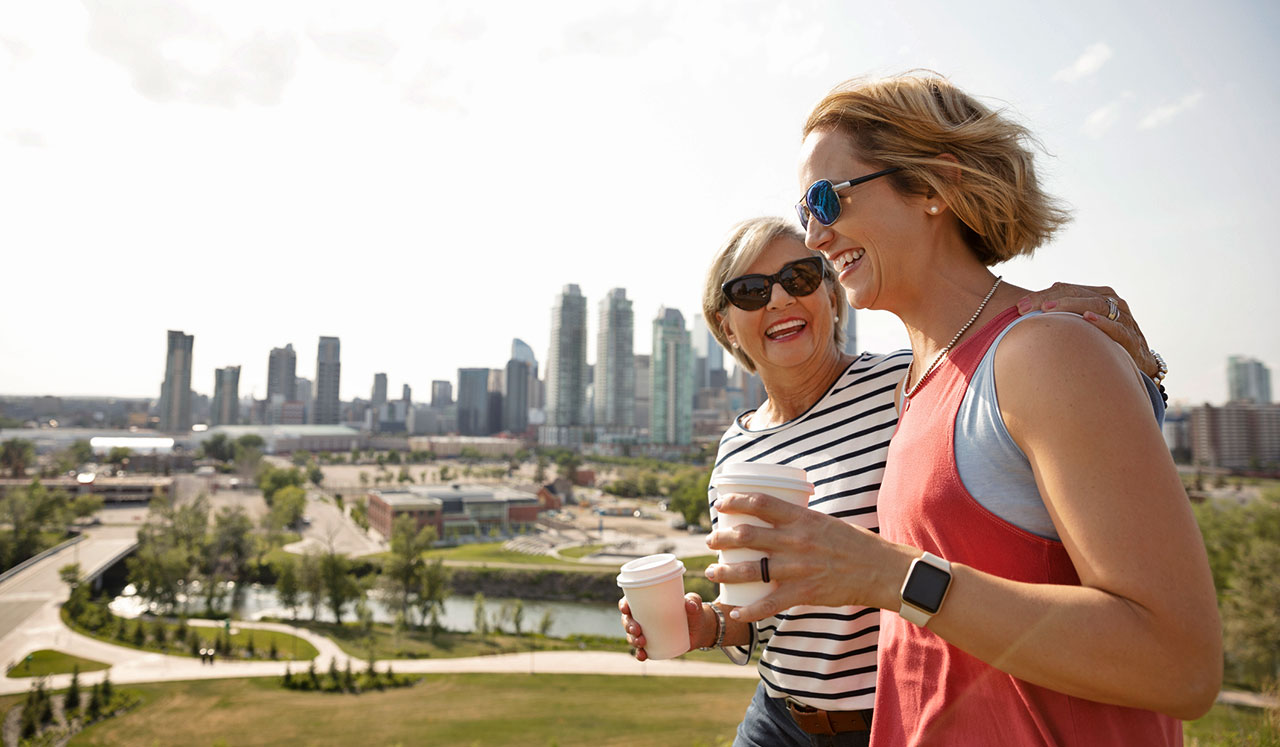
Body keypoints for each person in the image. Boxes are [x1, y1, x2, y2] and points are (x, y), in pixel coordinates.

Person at [705, 73, 1221, 745]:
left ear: (932, 186)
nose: (817, 236)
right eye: (805, 210)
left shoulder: (1041, 353)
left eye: (827, 200)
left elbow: (1179, 666)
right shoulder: (918, 383)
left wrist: (886, 573)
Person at [619, 215, 1162, 746]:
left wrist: (1126, 359)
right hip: (777, 720)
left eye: (799, 278)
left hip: (891, 719)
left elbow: (1051, 410)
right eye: (751, 291)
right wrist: (708, 625)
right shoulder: (736, 448)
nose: (780, 299)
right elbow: (759, 611)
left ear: (831, 296)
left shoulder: (904, 384)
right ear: (724, 323)